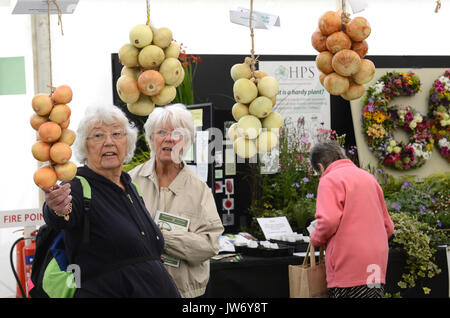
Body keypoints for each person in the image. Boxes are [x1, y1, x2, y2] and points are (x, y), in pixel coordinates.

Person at [42, 105, 180, 298]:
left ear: (127, 142)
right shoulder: (77, 186)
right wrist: (57, 208)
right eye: (98, 136)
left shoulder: (130, 186)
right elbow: (60, 215)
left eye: (117, 134)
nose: (109, 142)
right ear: (84, 146)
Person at [129, 104, 224, 298]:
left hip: (185, 294)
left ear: (187, 142)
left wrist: (160, 237)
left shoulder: (199, 189)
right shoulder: (130, 182)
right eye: (162, 132)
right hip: (138, 289)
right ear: (150, 138)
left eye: (178, 133)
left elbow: (209, 245)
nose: (170, 139)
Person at [308, 140, 394, 298]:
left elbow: (328, 221)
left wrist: (315, 239)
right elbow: (388, 226)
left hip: (348, 261)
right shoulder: (368, 178)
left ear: (320, 167)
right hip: (376, 261)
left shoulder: (329, 179)